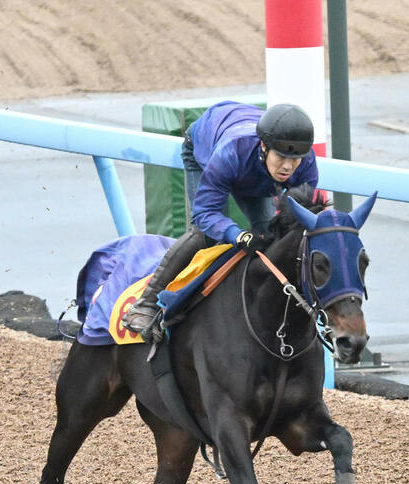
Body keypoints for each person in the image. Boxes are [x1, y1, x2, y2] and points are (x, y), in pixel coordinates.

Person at [122, 101, 318, 337]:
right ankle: (146, 304)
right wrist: (238, 235)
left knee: (273, 238)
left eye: (294, 159)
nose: (288, 167)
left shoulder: (305, 161)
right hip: (209, 152)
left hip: (252, 171)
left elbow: (298, 222)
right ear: (264, 146)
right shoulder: (230, 152)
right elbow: (205, 214)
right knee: (206, 235)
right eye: (281, 157)